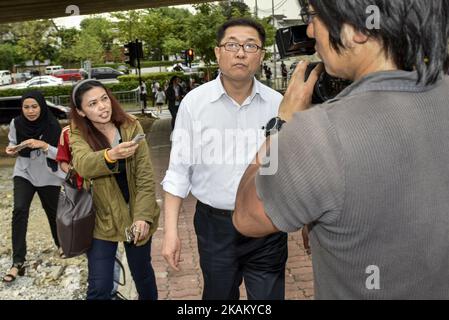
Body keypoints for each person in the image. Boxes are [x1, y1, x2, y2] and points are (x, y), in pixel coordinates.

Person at [233, 0, 449, 299]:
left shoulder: (320, 132)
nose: (309, 29)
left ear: (358, 28)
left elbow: (246, 216)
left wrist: (280, 124)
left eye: (313, 16)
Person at [161, 18, 287, 300]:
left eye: (250, 45)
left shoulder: (278, 104)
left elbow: (291, 165)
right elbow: (178, 171)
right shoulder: (194, 103)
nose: (240, 52)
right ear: (218, 52)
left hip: (267, 223)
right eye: (232, 45)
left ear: (261, 55)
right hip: (215, 226)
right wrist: (170, 232)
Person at [68, 79, 160, 300]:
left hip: (134, 215)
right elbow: (83, 164)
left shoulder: (130, 126)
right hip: (102, 220)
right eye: (92, 104)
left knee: (142, 275)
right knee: (99, 286)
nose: (102, 107)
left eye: (104, 99)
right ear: (81, 111)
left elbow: (145, 177)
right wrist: (111, 155)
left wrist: (143, 217)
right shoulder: (77, 133)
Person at [3, 91, 63, 283]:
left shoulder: (53, 125)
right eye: (26, 107)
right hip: (24, 172)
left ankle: (61, 244)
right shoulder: (16, 123)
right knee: (19, 209)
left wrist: (44, 145)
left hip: (49, 175)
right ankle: (17, 261)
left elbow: (60, 155)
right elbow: (12, 143)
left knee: (53, 212)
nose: (30, 111)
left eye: (34, 106)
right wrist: (11, 149)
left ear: (42, 106)